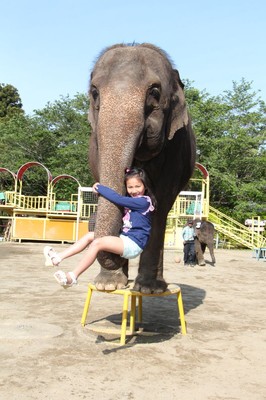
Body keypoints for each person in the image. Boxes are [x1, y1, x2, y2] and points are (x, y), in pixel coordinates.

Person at [43, 167, 156, 287]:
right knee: (90, 236)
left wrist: (99, 188)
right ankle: (57, 258)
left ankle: (73, 277)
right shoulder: (132, 201)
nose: (134, 191)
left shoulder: (144, 202)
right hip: (124, 239)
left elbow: (118, 199)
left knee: (97, 243)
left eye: (138, 186)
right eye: (130, 187)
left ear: (145, 186)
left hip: (133, 244)